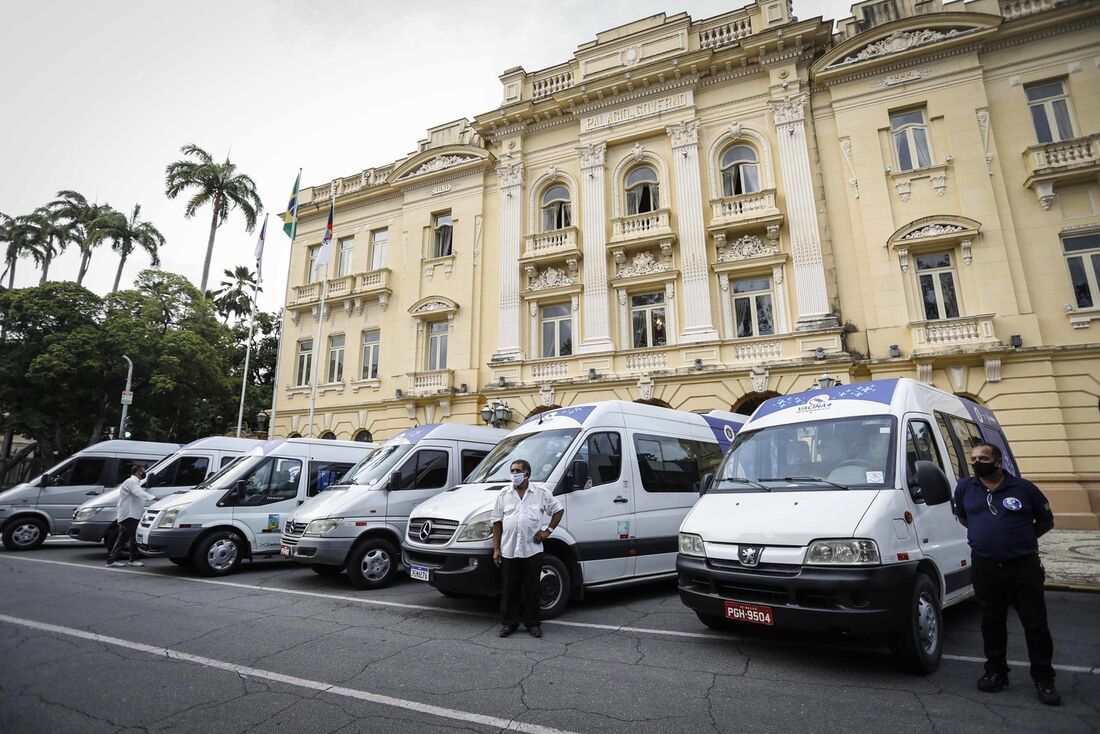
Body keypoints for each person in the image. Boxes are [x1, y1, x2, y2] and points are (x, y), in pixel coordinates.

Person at [952, 442, 1060, 706]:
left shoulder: (1024, 489)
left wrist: (1020, 539)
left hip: (1023, 567)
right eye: (973, 458)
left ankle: (1044, 679)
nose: (977, 462)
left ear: (998, 462)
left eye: (983, 458)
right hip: (985, 567)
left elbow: (1046, 521)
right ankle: (996, 672)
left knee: (1035, 624)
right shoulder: (965, 488)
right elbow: (964, 518)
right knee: (991, 621)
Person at [491, 458, 564, 639]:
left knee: (532, 589)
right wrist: (496, 549)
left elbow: (558, 510)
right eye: (512, 471)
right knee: (510, 589)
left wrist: (548, 531)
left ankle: (533, 624)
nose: (514, 474)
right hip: (509, 551)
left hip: (532, 551)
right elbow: (496, 522)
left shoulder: (540, 493)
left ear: (527, 474)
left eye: (517, 471)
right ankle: (509, 623)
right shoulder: (504, 495)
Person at [107, 465, 155, 567]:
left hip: (127, 515)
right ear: (138, 472)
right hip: (129, 515)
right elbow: (137, 492)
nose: (144, 473)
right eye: (143, 471)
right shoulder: (132, 482)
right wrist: (153, 497)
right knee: (134, 537)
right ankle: (133, 560)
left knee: (122, 538)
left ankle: (111, 560)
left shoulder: (134, 482)